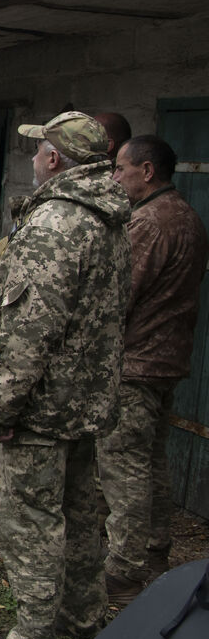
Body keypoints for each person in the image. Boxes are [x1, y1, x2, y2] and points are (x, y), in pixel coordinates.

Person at [0, 112, 130, 639]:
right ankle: (83, 621)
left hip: (39, 409)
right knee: (79, 516)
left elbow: (30, 328)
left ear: (54, 159)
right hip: (81, 404)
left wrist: (1, 406)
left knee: (31, 523)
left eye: (37, 150)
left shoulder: (56, 222)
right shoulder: (109, 219)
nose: (32, 158)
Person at [99, 134, 208, 604]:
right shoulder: (187, 216)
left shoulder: (148, 222)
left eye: (120, 169)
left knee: (124, 466)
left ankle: (123, 572)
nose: (114, 177)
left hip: (136, 362)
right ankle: (155, 553)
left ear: (146, 171)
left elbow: (119, 294)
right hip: (166, 359)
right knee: (151, 461)